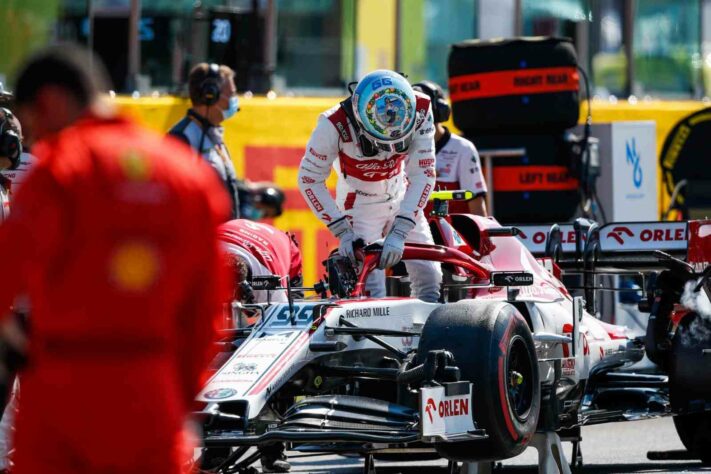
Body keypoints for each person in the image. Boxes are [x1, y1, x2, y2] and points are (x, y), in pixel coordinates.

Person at [6, 44, 230, 474]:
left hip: (59, 388)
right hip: (150, 389)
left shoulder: (58, 170)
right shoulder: (189, 178)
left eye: (32, 124)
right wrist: (178, 398)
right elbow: (205, 312)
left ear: (49, 103)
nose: (33, 139)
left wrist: (18, 346)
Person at [298, 69, 442, 302]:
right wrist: (343, 232)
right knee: (369, 291)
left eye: (399, 142)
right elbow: (308, 178)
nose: (392, 149)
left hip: (400, 193)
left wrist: (401, 230)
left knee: (430, 277)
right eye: (383, 143)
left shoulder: (421, 108)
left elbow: (423, 173)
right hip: (359, 203)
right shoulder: (332, 124)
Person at [217, 219, 302, 473]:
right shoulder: (196, 259)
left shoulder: (269, 279)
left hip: (277, 251)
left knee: (275, 366)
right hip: (231, 237)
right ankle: (216, 449)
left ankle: (272, 450)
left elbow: (285, 337)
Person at [169, 62, 241, 219]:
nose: (235, 100)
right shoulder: (182, 138)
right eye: (231, 94)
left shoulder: (213, 135)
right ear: (210, 95)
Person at [412, 80, 488, 216]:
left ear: (439, 110)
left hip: (452, 235)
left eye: (422, 108)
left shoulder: (463, 149)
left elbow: (477, 206)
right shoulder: (401, 149)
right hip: (413, 233)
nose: (418, 114)